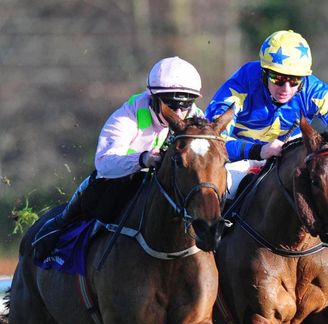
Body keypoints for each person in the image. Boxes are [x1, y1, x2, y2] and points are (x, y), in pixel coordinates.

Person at [33, 57, 204, 262]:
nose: (178, 113)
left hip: (169, 187)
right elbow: (104, 163)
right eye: (171, 105)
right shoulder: (127, 115)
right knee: (90, 196)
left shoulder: (197, 117)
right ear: (154, 98)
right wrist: (143, 159)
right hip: (123, 181)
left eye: (184, 106)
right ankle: (55, 235)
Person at [204, 30, 328, 198]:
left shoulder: (314, 91)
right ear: (264, 73)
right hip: (239, 161)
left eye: (294, 80)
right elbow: (210, 142)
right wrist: (258, 150)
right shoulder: (241, 84)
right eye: (278, 78)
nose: (286, 89)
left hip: (289, 158)